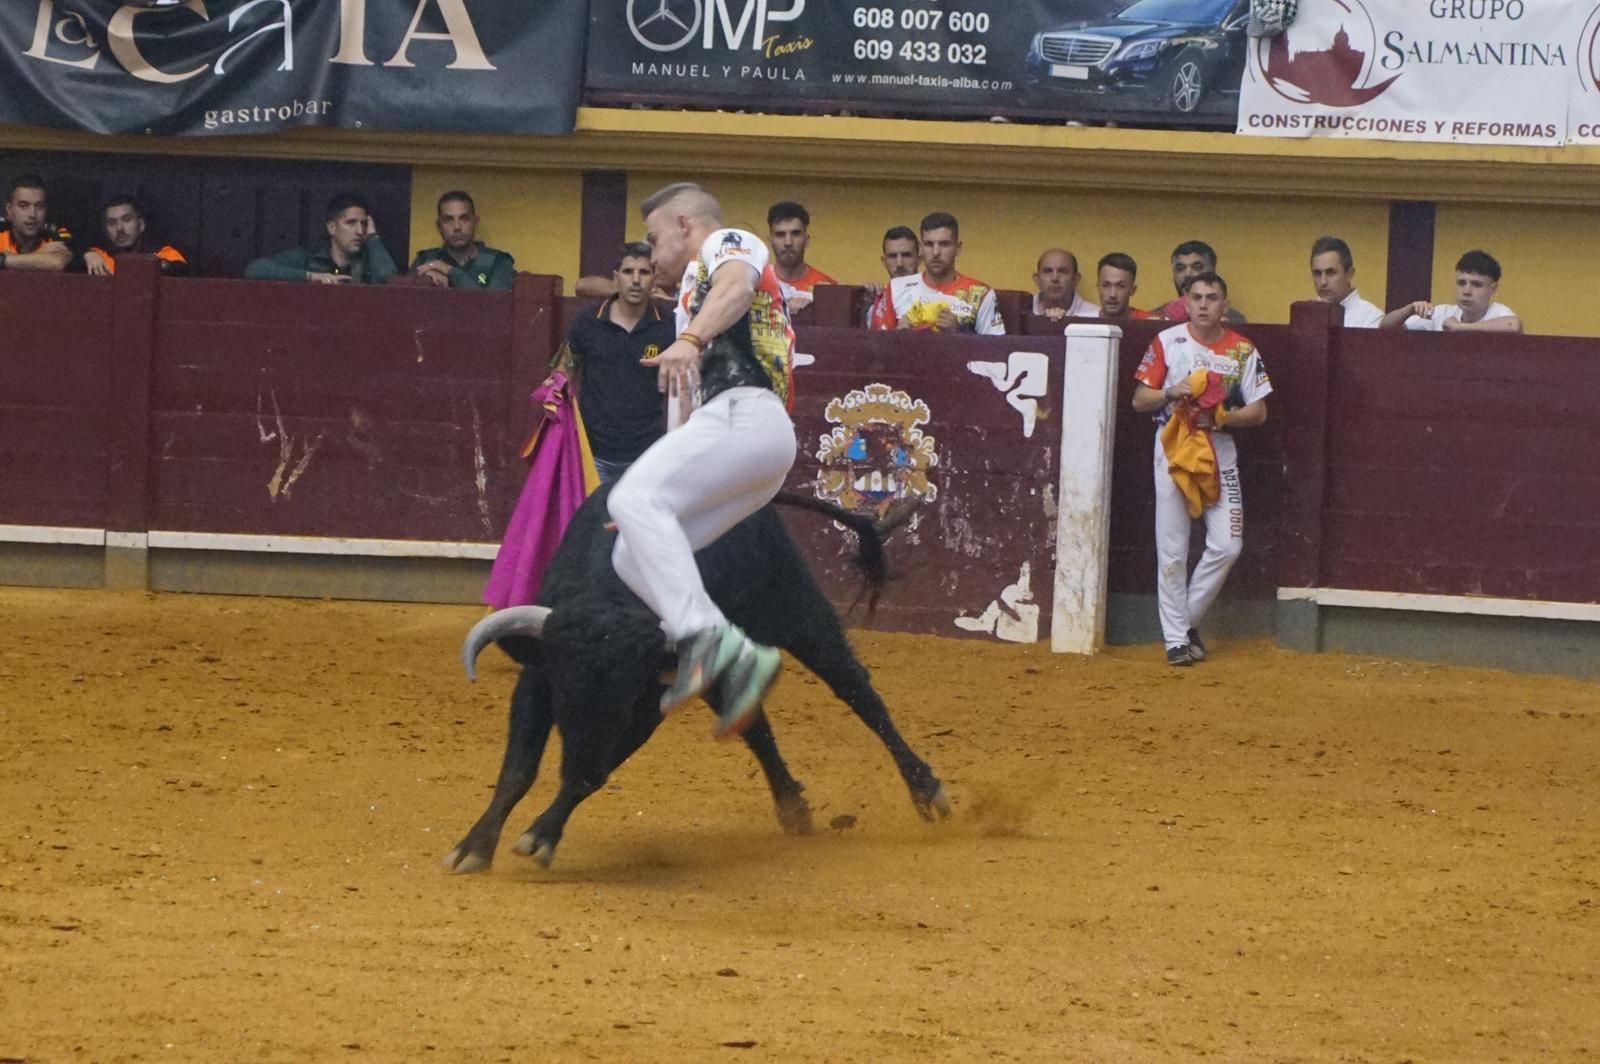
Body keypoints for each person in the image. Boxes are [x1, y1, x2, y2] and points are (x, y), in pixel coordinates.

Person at [606, 182, 797, 740]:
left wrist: (688, 338)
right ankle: (737, 657)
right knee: (628, 551)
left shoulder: (728, 244)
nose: (649, 253)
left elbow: (738, 288)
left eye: (653, 237)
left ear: (685, 225)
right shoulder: (693, 291)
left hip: (748, 416)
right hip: (744, 436)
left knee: (630, 499)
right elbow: (688, 409)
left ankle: (709, 640)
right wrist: (656, 491)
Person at [1131, 272, 1272, 667]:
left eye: (1213, 298)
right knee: (1172, 550)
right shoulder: (1167, 341)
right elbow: (1140, 399)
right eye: (1197, 297)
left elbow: (1259, 410)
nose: (1205, 304)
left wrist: (1223, 418)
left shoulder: (1242, 350)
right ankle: (1177, 640)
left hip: (1219, 448)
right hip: (1173, 447)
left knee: (1228, 545)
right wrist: (1170, 392)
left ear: (1225, 306)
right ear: (1186, 303)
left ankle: (1183, 623)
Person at [560, 242, 673, 485]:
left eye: (644, 273)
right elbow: (562, 374)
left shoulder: (668, 326)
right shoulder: (587, 322)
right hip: (592, 452)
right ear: (615, 277)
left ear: (654, 279)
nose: (635, 280)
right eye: (628, 272)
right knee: (592, 522)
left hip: (647, 453)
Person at [876, 211, 1004, 335]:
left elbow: (996, 349)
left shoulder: (981, 293)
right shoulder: (896, 287)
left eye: (944, 244)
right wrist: (898, 335)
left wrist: (959, 333)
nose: (936, 252)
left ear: (957, 248)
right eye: (929, 244)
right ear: (921, 249)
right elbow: (876, 345)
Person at [244, 193, 396, 285]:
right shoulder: (306, 257)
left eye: (364, 224)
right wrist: (311, 276)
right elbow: (255, 270)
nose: (359, 231)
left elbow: (388, 278)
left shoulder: (372, 260)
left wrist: (373, 237)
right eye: (351, 223)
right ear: (332, 228)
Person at [1379, 250, 1523, 333]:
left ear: (1493, 289)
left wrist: (1460, 327)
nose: (1466, 291)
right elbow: (1385, 327)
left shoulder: (1498, 312)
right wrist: (1409, 310)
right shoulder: (1442, 313)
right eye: (1461, 283)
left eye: (1476, 285)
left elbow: (1513, 325)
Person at [410, 190, 515, 290]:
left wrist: (449, 271)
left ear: (475, 222)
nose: (457, 227)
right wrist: (424, 281)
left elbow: (493, 304)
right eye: (448, 220)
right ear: (439, 226)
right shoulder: (424, 259)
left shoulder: (498, 261)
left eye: (464, 218)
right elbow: (403, 300)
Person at [83, 195, 188, 276]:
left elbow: (183, 269)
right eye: (112, 222)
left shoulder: (161, 252)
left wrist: (155, 266)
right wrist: (86, 255)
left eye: (126, 220)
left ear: (141, 225)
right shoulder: (99, 256)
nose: (119, 228)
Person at [767, 200, 835, 310]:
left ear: (806, 240)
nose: (788, 242)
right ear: (770, 241)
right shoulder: (757, 286)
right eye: (780, 235)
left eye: (796, 234)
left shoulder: (827, 288)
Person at [1156, 241, 1246, 324]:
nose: (1188, 274)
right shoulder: (1157, 317)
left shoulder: (1233, 319)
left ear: (1212, 271)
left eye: (1197, 267)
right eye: (1180, 268)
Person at [0, 174, 73, 273]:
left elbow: (57, 262)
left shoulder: (55, 233)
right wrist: (41, 255)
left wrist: (4, 260)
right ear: (9, 210)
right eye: (23, 206)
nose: (32, 214)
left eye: (39, 206)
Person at [1308, 236, 1380, 328]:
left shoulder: (1371, 318)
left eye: (1330, 273)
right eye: (1317, 273)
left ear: (1349, 274)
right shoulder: (1308, 315)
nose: (1323, 282)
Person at [865, 225, 920, 329]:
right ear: (884, 261)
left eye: (906, 255)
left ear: (919, 258)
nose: (899, 264)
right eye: (892, 256)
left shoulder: (934, 296)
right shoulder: (876, 305)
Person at [1032, 248, 1098, 320]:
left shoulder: (1094, 316)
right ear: (1037, 279)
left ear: (1076, 279)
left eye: (1063, 271)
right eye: (1048, 271)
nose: (1055, 278)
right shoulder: (1021, 310)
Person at [1096, 252, 1150, 320]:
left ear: (1133, 290)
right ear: (1098, 287)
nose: (1112, 295)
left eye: (1121, 286)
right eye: (1106, 285)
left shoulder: (1150, 323)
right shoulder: (1084, 323)